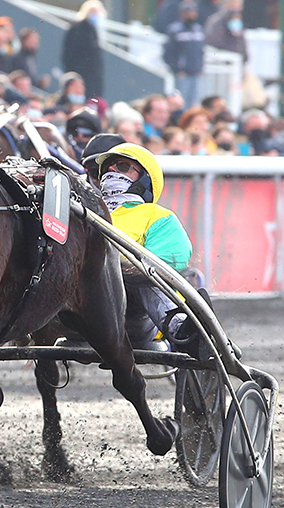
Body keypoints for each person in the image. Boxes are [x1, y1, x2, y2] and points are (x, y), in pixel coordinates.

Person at [83, 141, 199, 352]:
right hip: (81, 309)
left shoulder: (157, 216)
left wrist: (111, 271)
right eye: (107, 168)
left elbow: (169, 263)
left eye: (122, 166)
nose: (111, 170)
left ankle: (179, 328)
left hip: (133, 315)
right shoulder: (84, 211)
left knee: (150, 272)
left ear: (145, 179)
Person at [62, 0, 106, 101]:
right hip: (80, 73)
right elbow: (68, 54)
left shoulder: (94, 30)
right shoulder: (76, 29)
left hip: (92, 78)